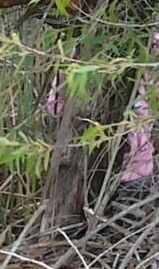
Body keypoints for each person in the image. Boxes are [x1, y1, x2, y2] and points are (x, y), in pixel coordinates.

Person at [46, 38, 154, 195]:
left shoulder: (145, 49)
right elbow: (55, 106)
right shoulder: (75, 59)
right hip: (84, 171)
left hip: (137, 169)